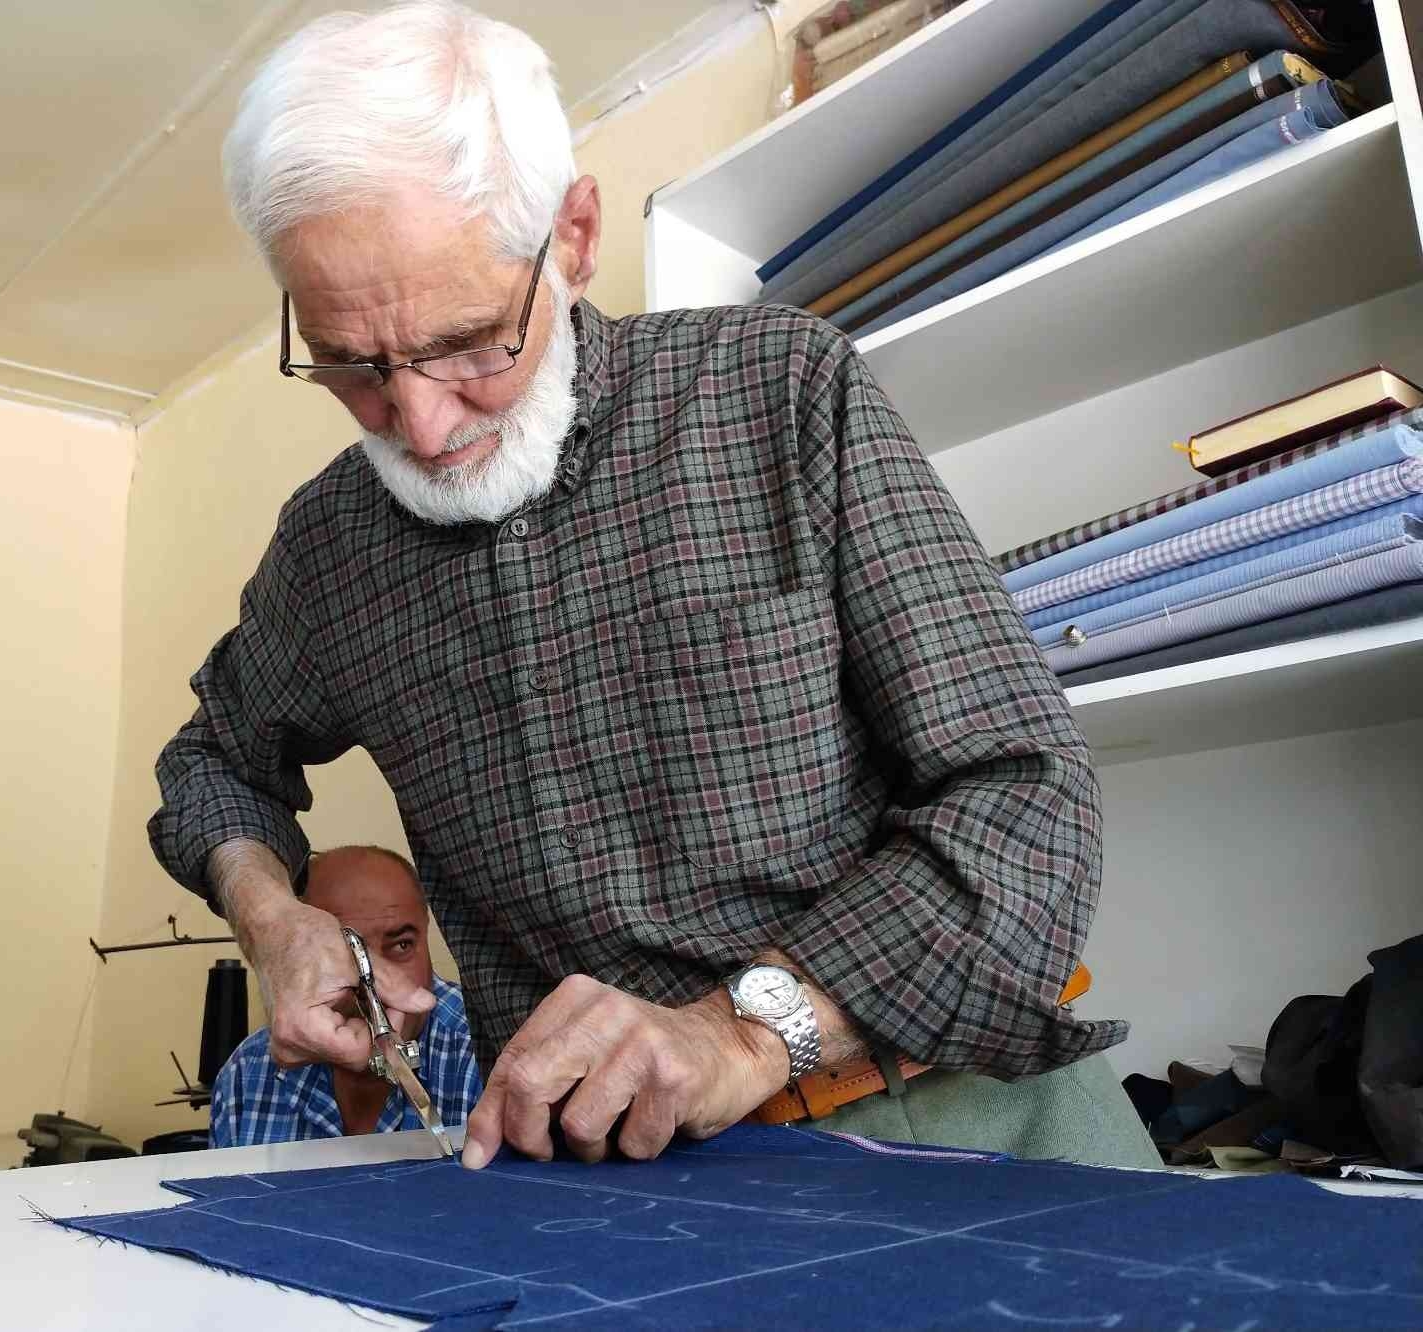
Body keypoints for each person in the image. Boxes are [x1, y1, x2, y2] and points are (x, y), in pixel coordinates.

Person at [152, 1, 1159, 1172]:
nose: (419, 425)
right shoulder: (331, 546)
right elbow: (211, 761)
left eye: (471, 342)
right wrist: (271, 916)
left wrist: (742, 1030)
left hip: (952, 1122)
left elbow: (1026, 799)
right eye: (351, 365)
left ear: (573, 237)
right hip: (599, 1182)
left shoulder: (777, 390)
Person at [209, 844, 481, 1148]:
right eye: (344, 952)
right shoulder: (246, 1076)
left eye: (402, 945)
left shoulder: (486, 1055)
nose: (377, 983)